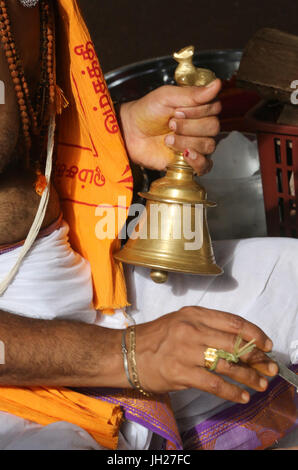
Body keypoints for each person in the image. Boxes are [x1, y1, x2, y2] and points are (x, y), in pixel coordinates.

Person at [0, 0, 297, 450]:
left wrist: (117, 131)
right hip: (19, 365)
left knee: (291, 276)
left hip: (90, 296)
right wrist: (127, 354)